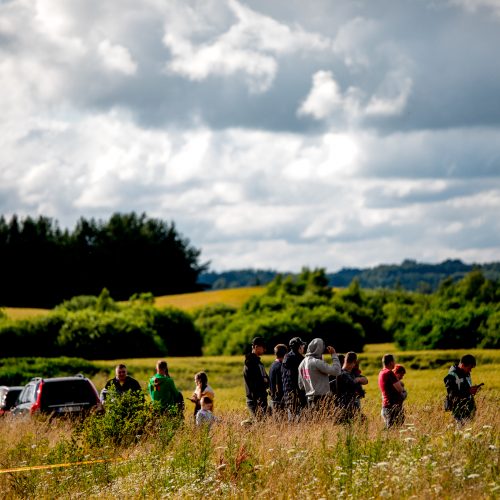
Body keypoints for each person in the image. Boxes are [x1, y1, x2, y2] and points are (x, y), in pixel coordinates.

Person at [298, 338, 341, 412]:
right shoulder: (316, 362)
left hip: (309, 399)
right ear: (319, 349)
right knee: (325, 422)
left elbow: (301, 386)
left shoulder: (302, 363)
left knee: (315, 422)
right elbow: (337, 371)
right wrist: (334, 355)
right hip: (321, 399)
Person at [444, 354, 481, 425]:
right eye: (469, 368)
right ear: (463, 365)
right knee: (461, 433)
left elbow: (465, 389)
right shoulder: (451, 377)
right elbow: (452, 395)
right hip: (459, 411)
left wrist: (473, 389)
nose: (470, 370)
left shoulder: (466, 373)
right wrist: (468, 391)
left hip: (469, 409)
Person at [333, 352, 368, 422]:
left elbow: (366, 380)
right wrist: (357, 382)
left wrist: (358, 379)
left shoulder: (352, 373)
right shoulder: (342, 374)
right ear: (354, 362)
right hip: (345, 407)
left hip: (352, 407)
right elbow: (353, 386)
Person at [243, 336, 269, 419]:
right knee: (259, 424)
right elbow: (255, 383)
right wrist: (264, 382)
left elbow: (265, 378)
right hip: (255, 400)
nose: (264, 350)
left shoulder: (258, 362)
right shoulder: (250, 363)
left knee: (261, 424)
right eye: (263, 347)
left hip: (260, 399)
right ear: (256, 347)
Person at [282, 337, 308, 420]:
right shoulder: (300, 360)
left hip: (287, 393)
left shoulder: (286, 357)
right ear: (299, 347)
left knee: (291, 417)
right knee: (300, 418)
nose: (303, 347)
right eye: (302, 345)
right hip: (298, 393)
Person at [378, 354, 405, 428]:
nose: (394, 363)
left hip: (385, 406)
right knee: (393, 430)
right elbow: (399, 389)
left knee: (389, 430)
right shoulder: (389, 373)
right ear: (390, 362)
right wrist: (403, 388)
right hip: (392, 407)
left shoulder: (381, 373)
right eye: (394, 361)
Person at [269, 344, 288, 416]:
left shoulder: (272, 365)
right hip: (280, 401)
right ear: (285, 354)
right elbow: (280, 384)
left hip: (273, 399)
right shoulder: (281, 366)